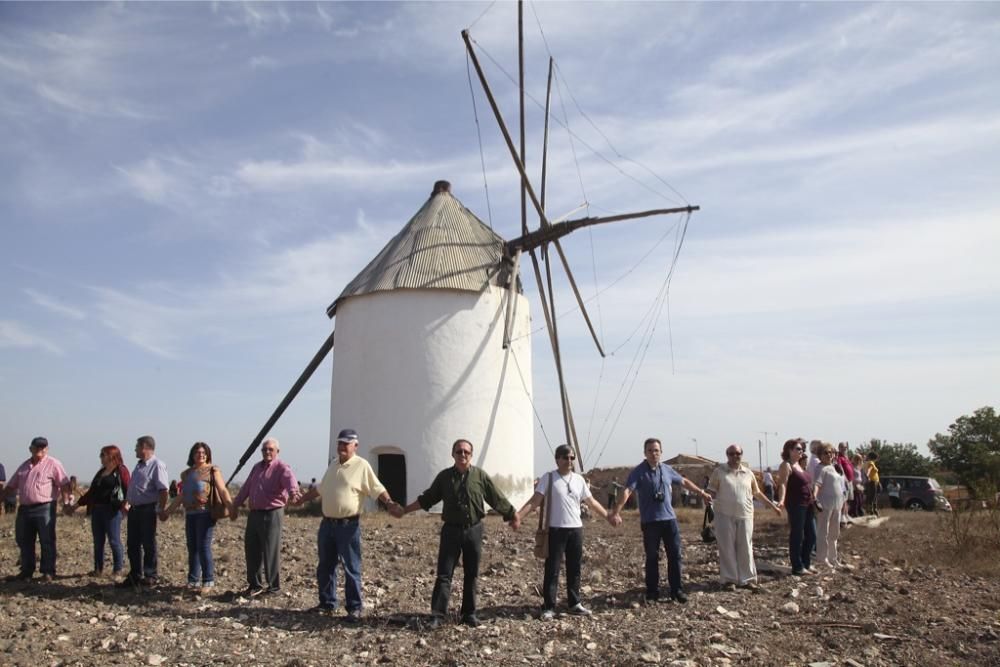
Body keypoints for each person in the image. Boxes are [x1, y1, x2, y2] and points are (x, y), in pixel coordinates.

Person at [401, 438, 521, 627]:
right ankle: (438, 615)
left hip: (474, 529)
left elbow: (495, 497)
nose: (462, 455)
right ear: (453, 455)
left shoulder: (480, 476)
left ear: (471, 455)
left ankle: (469, 613)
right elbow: (428, 498)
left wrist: (512, 514)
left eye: (466, 452)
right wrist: (405, 510)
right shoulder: (444, 477)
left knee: (471, 573)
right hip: (451, 530)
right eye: (459, 452)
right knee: (444, 574)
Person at [298, 428, 402, 622]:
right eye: (340, 443)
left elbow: (377, 488)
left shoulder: (361, 466)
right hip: (327, 525)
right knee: (325, 565)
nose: (342, 447)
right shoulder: (334, 465)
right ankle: (327, 603)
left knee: (351, 567)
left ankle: (354, 608)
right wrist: (301, 499)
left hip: (347, 526)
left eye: (346, 444)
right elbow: (321, 488)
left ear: (355, 446)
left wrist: (389, 504)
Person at [516, 445, 618, 620]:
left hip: (575, 529)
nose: (569, 461)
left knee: (575, 567)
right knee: (552, 569)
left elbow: (592, 502)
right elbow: (535, 501)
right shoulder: (548, 478)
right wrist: (518, 516)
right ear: (557, 459)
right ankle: (549, 606)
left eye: (572, 457)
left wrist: (608, 516)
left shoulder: (579, 480)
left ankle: (574, 603)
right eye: (565, 457)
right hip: (555, 530)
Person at [609, 438, 712, 603]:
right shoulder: (638, 472)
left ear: (661, 452)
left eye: (656, 450)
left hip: (669, 520)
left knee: (675, 556)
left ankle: (676, 591)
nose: (653, 453)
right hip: (650, 522)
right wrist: (616, 512)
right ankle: (652, 592)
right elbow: (628, 491)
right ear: (645, 453)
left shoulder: (667, 470)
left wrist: (702, 493)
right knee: (652, 557)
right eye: (650, 450)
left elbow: (684, 481)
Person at [230, 437, 301, 597]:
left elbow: (291, 483)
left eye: (270, 449)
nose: (267, 452)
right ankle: (255, 585)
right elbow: (247, 487)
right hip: (254, 514)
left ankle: (273, 587)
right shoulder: (256, 468)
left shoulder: (282, 468)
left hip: (272, 513)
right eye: (264, 449)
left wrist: (294, 494)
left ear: (277, 451)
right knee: (252, 548)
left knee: (270, 550)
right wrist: (236, 503)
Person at [161, 442, 233, 593]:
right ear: (192, 455)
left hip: (205, 514)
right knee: (192, 547)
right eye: (197, 452)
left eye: (203, 452)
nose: (201, 455)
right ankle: (193, 580)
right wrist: (168, 511)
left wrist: (231, 506)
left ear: (207, 454)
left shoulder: (212, 470)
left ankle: (208, 581)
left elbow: (222, 489)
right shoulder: (186, 474)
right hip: (190, 514)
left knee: (203, 546)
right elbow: (181, 496)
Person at [706, 444, 781, 591]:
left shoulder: (748, 473)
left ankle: (747, 579)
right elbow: (711, 490)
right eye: (731, 453)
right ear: (727, 455)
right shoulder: (719, 472)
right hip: (724, 515)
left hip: (745, 515)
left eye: (737, 453)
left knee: (746, 546)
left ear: (742, 454)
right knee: (727, 547)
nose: (735, 456)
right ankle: (729, 580)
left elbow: (757, 493)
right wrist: (706, 496)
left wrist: (773, 506)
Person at [3, 437, 71, 581]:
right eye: (37, 447)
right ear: (31, 449)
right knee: (23, 539)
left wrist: (66, 502)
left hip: (45, 507)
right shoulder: (24, 466)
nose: (40, 450)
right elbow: (11, 486)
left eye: (43, 447)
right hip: (25, 508)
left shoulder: (53, 464)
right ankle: (27, 570)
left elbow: (64, 484)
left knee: (46, 539)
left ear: (47, 449)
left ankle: (48, 571)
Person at [70, 445, 131, 576]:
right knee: (98, 540)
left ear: (111, 455)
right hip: (97, 509)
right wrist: (76, 506)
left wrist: (126, 506)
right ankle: (98, 569)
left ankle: (118, 569)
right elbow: (92, 492)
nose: (101, 458)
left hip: (112, 511)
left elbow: (128, 489)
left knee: (114, 540)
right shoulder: (101, 472)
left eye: (103, 455)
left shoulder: (121, 471)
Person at [120, 435, 169, 587]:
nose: (134, 449)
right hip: (135, 510)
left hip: (147, 509)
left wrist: (160, 508)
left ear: (145, 447)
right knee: (132, 543)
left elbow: (163, 489)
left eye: (137, 446)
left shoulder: (156, 465)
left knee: (148, 543)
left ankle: (150, 575)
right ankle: (135, 574)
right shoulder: (139, 465)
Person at [775, 439, 817, 576]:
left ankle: (806, 563)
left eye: (802, 449)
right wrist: (781, 500)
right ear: (789, 450)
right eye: (798, 449)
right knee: (797, 535)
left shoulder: (799, 465)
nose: (801, 451)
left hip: (808, 503)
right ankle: (797, 566)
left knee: (812, 535)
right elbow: (782, 484)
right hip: (796, 504)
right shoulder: (786, 465)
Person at [813, 443, 846, 570]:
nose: (829, 455)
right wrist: (815, 498)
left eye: (830, 452)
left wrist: (844, 501)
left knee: (834, 532)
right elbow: (817, 484)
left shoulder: (833, 467)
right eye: (825, 452)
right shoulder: (820, 468)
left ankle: (833, 558)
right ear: (820, 455)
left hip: (837, 504)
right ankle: (822, 558)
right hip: (825, 504)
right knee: (823, 531)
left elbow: (841, 486)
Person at [836, 443, 855, 523]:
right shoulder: (839, 457)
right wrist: (845, 478)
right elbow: (840, 468)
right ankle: (842, 516)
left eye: (846, 447)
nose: (845, 449)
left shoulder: (846, 457)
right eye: (843, 447)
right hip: (845, 481)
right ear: (839, 448)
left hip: (850, 480)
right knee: (844, 499)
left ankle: (846, 514)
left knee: (847, 499)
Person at [864, 452, 881, 516]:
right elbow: (869, 470)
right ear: (875, 458)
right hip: (872, 482)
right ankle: (872, 510)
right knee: (872, 497)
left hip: (875, 481)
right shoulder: (871, 463)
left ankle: (874, 510)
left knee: (874, 496)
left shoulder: (871, 463)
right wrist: (867, 476)